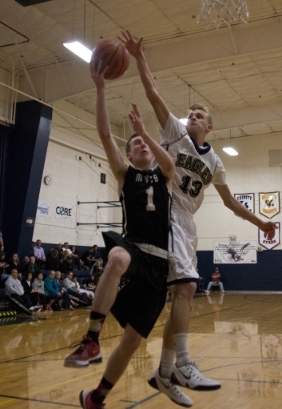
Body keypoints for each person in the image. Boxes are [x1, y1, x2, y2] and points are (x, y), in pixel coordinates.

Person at [120, 30, 277, 404]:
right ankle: (183, 363)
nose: (192, 116)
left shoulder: (216, 162)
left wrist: (262, 223)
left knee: (183, 293)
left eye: (199, 115)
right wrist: (140, 58)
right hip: (166, 212)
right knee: (187, 288)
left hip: (189, 223)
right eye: (190, 113)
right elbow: (153, 92)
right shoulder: (174, 132)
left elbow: (230, 203)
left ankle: (164, 373)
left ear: (210, 126)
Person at [64, 60, 177, 409]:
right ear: (128, 154)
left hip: (160, 267)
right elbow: (102, 135)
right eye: (136, 144)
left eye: (146, 143)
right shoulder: (125, 174)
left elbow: (170, 163)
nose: (143, 146)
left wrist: (146, 131)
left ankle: (97, 397)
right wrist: (100, 89)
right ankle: (92, 338)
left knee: (131, 342)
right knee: (116, 256)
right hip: (134, 250)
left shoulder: (164, 175)